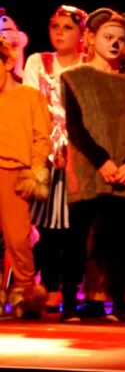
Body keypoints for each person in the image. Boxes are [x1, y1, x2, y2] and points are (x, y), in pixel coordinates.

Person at [60, 8, 125, 323]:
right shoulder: (74, 77)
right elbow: (76, 127)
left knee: (119, 240)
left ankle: (119, 305)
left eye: (120, 39)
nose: (115, 44)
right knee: (77, 238)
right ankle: (69, 304)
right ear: (92, 38)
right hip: (87, 170)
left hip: (122, 173)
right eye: (108, 37)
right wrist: (102, 161)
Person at [22, 5, 88, 312]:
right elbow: (31, 104)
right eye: (55, 26)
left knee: (76, 225)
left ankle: (72, 289)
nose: (60, 32)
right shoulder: (38, 61)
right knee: (47, 223)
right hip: (47, 150)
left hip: (80, 152)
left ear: (82, 34)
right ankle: (49, 286)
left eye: (67, 27)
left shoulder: (88, 64)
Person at [0, 35, 51, 319]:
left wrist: (34, 170)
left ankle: (26, 294)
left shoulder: (30, 96)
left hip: (14, 173)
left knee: (18, 239)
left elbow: (41, 137)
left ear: (8, 63)